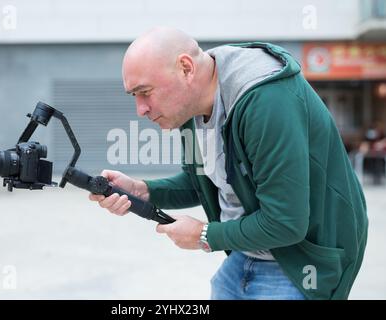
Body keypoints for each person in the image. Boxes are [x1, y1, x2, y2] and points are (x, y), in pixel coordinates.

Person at [89, 27, 368, 300]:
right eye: (134, 96)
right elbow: (203, 181)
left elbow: (286, 223)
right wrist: (142, 190)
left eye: (145, 92)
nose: (140, 109)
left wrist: (205, 234)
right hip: (247, 252)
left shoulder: (266, 101)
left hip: (304, 263)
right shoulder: (191, 108)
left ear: (186, 68)